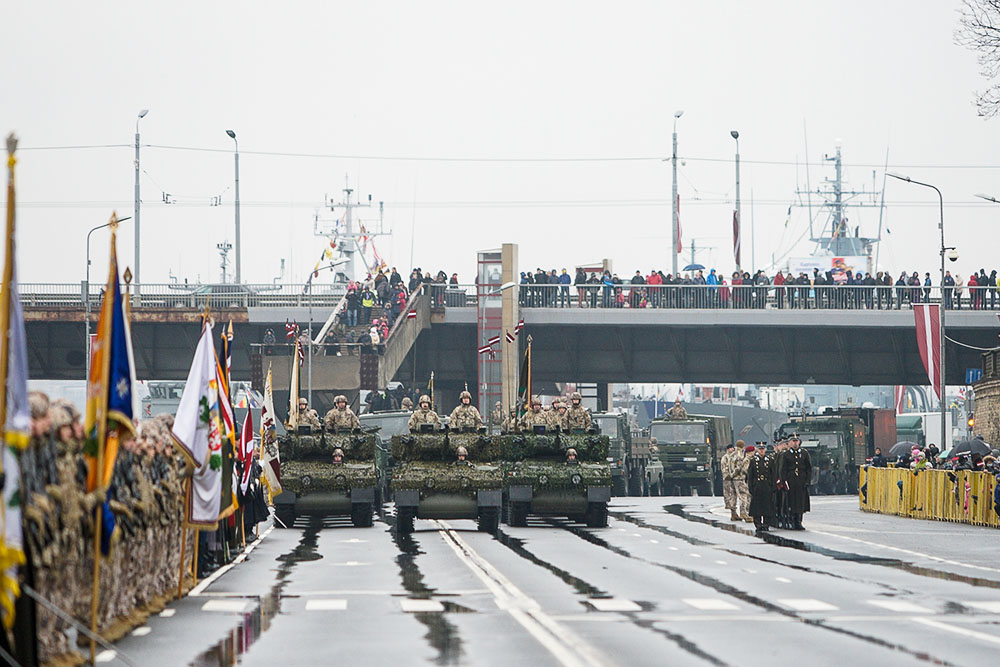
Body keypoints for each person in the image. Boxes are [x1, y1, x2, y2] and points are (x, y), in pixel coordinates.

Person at [781, 434, 811, 530]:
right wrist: (784, 481)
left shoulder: (804, 453)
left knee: (801, 502)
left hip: (801, 481)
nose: (795, 443)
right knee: (791, 502)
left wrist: (807, 481)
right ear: (789, 443)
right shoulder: (786, 455)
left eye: (796, 441)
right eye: (793, 441)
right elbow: (783, 469)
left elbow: (808, 468)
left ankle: (799, 521)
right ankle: (792, 520)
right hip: (791, 481)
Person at [746, 442, 774, 535]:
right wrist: (750, 487)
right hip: (757, 486)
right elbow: (750, 476)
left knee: (767, 506)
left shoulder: (769, 460)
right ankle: (758, 524)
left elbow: (773, 474)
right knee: (757, 507)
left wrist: (772, 487)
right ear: (757, 450)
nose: (761, 451)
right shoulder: (754, 461)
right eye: (760, 449)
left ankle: (766, 524)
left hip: (766, 486)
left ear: (765, 450)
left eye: (763, 449)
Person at [720, 443, 741, 521]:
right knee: (730, 495)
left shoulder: (736, 456)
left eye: (732, 448)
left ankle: (734, 513)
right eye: (730, 448)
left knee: (735, 495)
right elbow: (723, 468)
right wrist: (727, 475)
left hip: (735, 478)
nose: (731, 450)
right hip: (727, 479)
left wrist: (733, 475)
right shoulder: (725, 458)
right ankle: (733, 512)